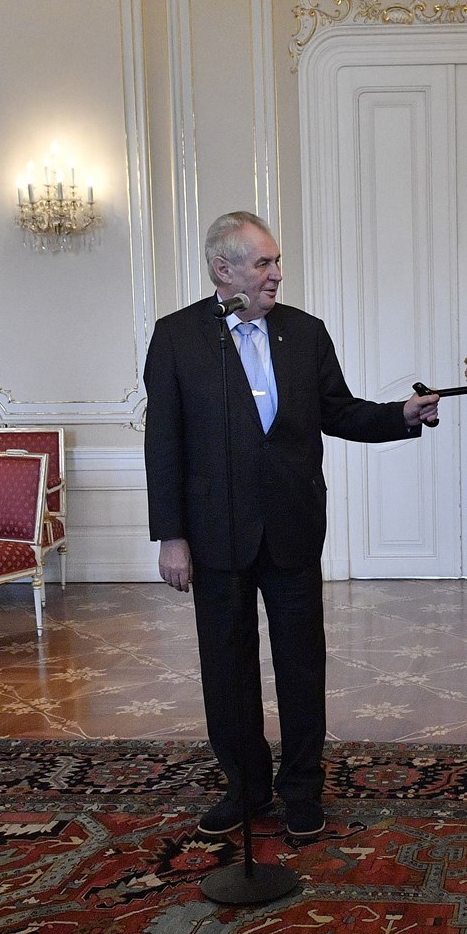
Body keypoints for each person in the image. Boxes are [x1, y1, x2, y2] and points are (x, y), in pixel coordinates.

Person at [144, 211, 440, 839]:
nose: (277, 273)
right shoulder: (178, 337)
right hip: (216, 535)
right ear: (223, 270)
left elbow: (340, 411)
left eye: (276, 261)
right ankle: (246, 788)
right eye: (263, 263)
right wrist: (172, 535)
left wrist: (403, 415)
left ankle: (302, 789)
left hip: (293, 528)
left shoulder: (305, 333)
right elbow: (163, 442)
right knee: (226, 670)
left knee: (302, 667)